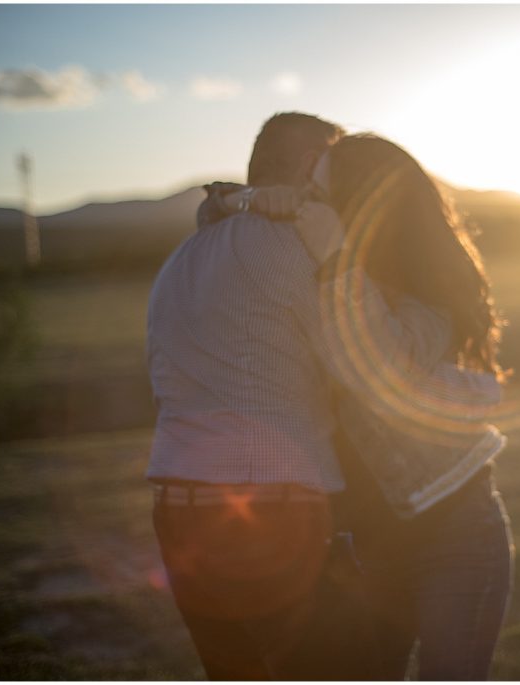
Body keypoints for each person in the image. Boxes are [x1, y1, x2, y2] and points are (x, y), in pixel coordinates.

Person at [145, 113, 452, 680]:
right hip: (271, 510)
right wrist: (437, 315)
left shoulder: (182, 259)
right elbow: (379, 369)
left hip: (177, 510)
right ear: (311, 166)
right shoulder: (302, 249)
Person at [209, 133, 515, 680]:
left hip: (455, 534)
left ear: (359, 205)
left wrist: (336, 258)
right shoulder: (319, 273)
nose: (305, 200)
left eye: (318, 192)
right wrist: (235, 201)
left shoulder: (427, 302)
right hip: (367, 545)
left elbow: (378, 372)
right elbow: (219, 232)